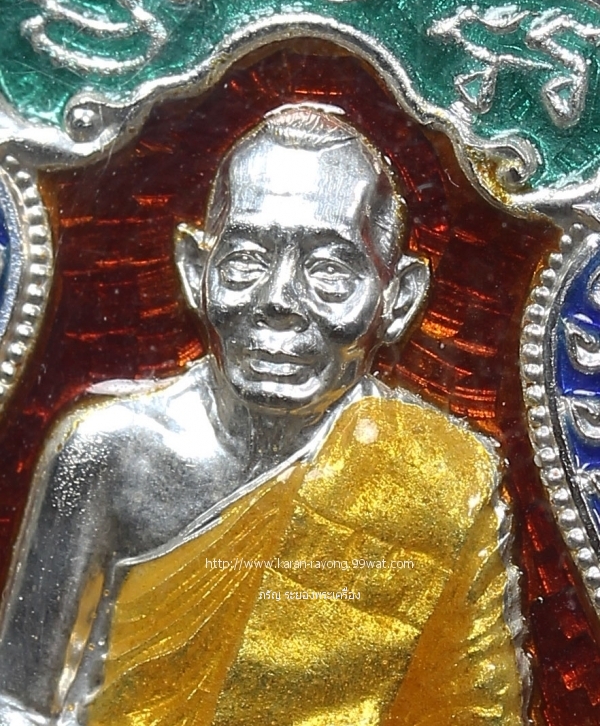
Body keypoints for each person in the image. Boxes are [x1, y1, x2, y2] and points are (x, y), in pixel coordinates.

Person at [0, 104, 524, 725]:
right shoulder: (110, 452)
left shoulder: (442, 479)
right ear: (195, 269)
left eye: (329, 270)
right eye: (246, 259)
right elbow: (17, 701)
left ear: (400, 297)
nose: (278, 300)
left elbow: (478, 712)